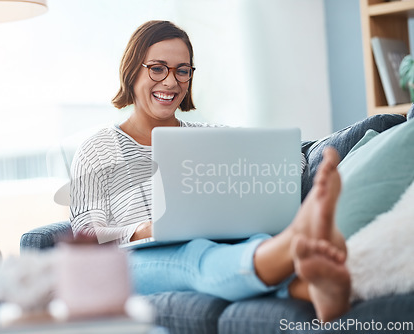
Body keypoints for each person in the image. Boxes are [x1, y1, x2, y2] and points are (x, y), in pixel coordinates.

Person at [70, 20, 351, 322]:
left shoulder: (208, 138)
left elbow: (288, 159)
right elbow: (85, 235)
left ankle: (309, 288)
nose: (170, 81)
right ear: (132, 71)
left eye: (182, 70)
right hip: (134, 260)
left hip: (220, 244)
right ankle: (296, 243)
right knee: (193, 255)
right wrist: (146, 229)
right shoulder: (96, 148)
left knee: (249, 240)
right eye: (157, 68)